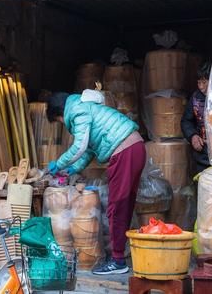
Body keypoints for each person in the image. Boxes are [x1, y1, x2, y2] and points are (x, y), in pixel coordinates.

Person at [46, 92, 146, 275]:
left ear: (60, 113)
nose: (62, 123)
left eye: (59, 120)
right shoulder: (86, 108)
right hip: (134, 147)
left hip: (124, 151)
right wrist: (72, 169)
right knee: (124, 205)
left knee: (116, 207)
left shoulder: (77, 112)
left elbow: (79, 146)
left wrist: (58, 164)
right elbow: (89, 150)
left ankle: (118, 261)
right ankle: (120, 257)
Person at [181, 61, 211, 176]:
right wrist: (192, 136)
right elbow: (186, 121)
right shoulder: (195, 97)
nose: (201, 87)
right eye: (199, 82)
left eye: (204, 82)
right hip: (203, 156)